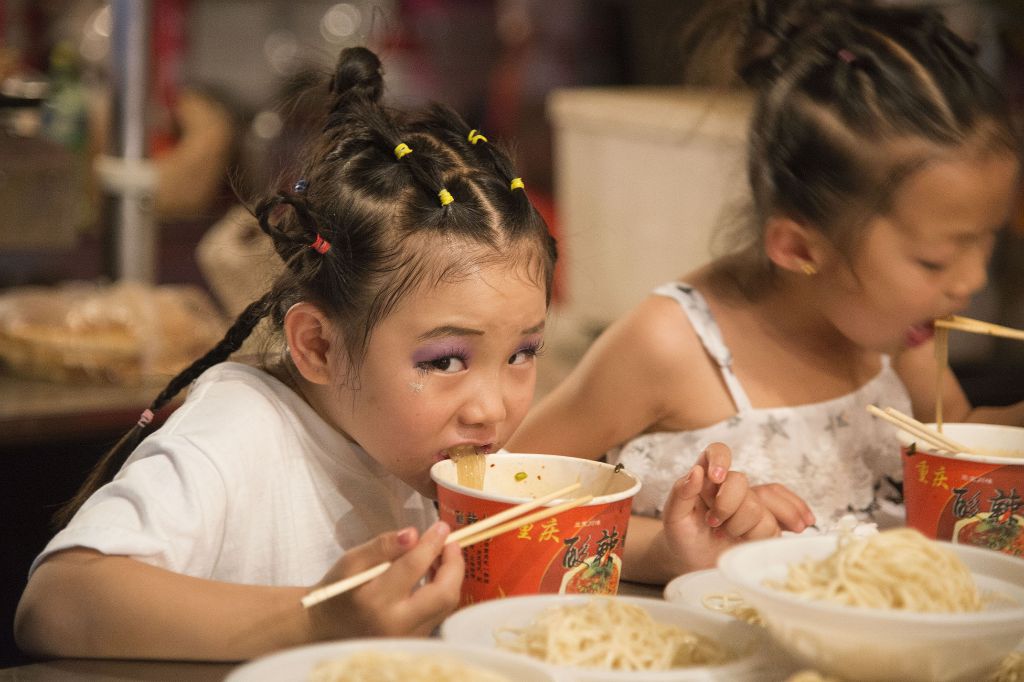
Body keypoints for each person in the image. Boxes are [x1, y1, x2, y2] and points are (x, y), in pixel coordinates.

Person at [14, 46, 777, 662]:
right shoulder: (237, 437)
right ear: (318, 344)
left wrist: (672, 553)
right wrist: (313, 621)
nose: (496, 404)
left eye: (524, 353)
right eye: (445, 360)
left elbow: (516, 540)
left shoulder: (418, 437)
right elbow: (54, 601)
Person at [509, 0, 1023, 563]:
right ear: (799, 247)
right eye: (934, 261)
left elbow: (961, 436)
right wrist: (672, 551)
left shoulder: (897, 333)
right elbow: (506, 501)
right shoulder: (671, 346)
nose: (970, 281)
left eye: (987, 240)